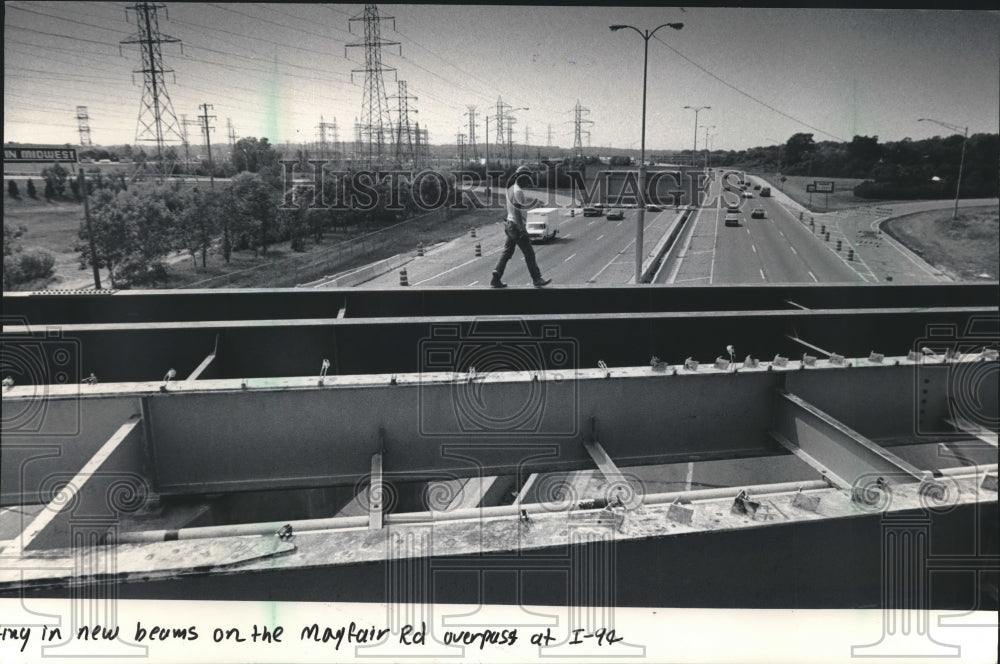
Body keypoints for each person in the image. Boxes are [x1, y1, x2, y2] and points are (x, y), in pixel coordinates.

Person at [490, 165, 551, 288]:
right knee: (529, 253)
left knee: (507, 252)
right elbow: (517, 211)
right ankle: (537, 279)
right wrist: (522, 229)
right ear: (520, 177)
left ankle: (496, 277)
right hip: (517, 226)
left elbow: (510, 209)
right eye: (527, 177)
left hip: (510, 224)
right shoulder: (518, 191)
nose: (528, 180)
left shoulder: (511, 189)